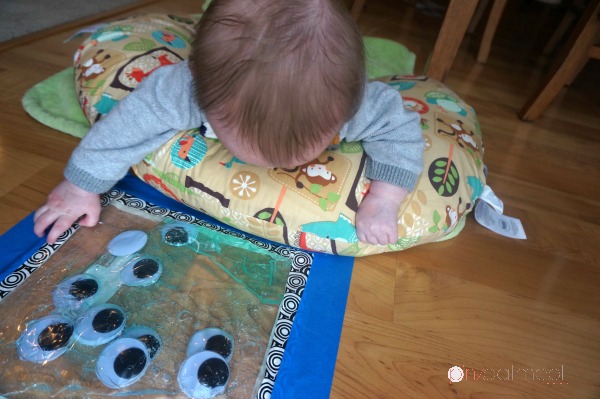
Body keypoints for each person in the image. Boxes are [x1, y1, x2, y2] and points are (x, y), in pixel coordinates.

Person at [33, 0, 424, 246]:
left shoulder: (359, 104)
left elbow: (401, 133)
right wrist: (79, 186)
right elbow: (123, 131)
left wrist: (385, 198)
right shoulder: (183, 89)